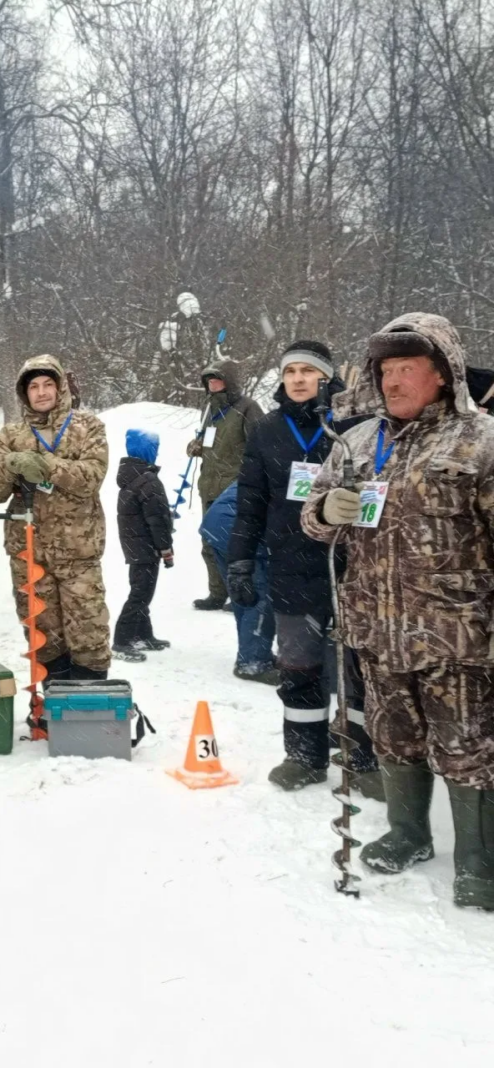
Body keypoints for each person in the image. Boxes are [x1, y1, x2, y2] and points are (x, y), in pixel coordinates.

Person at [301, 312, 494, 910]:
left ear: (442, 374)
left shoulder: (481, 439)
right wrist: (325, 511)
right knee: (394, 737)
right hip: (375, 631)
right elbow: (311, 518)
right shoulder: (358, 442)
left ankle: (478, 862)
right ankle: (408, 833)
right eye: (386, 369)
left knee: (468, 747)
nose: (392, 381)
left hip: (457, 635)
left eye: (407, 368)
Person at [227, 341, 380, 794]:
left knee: (360, 666)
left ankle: (363, 757)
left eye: (307, 371)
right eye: (290, 371)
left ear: (326, 378)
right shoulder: (267, 430)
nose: (297, 379)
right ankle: (305, 755)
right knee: (299, 664)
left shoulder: (355, 425)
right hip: (292, 565)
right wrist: (239, 559)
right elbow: (251, 503)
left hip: (354, 566)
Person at [0, 355, 110, 683]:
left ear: (60, 386)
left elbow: (92, 475)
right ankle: (54, 712)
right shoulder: (10, 435)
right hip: (29, 553)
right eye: (34, 386)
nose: (42, 392)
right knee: (43, 635)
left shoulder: (87, 427)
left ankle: (90, 715)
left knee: (89, 634)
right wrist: (9, 466)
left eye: (48, 384)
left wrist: (48, 465)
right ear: (25, 393)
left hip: (79, 553)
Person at [186, 361, 263, 610]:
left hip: (234, 488)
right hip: (209, 485)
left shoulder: (248, 408)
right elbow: (208, 441)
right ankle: (216, 594)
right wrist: (196, 447)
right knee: (209, 544)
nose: (212, 385)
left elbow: (260, 446)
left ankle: (238, 593)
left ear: (229, 381)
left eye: (217, 380)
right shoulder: (209, 409)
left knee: (234, 545)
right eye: (208, 381)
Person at [199, 481, 278, 684]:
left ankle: (252, 653)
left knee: (242, 591)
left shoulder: (271, 462)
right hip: (234, 527)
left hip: (217, 525)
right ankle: (252, 662)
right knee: (261, 596)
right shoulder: (291, 475)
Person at [113, 428, 173, 662]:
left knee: (142, 590)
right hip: (146, 547)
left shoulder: (131, 477)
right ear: (148, 450)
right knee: (140, 594)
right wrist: (165, 548)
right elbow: (157, 520)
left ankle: (142, 634)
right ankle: (121, 640)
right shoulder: (148, 480)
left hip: (135, 545)